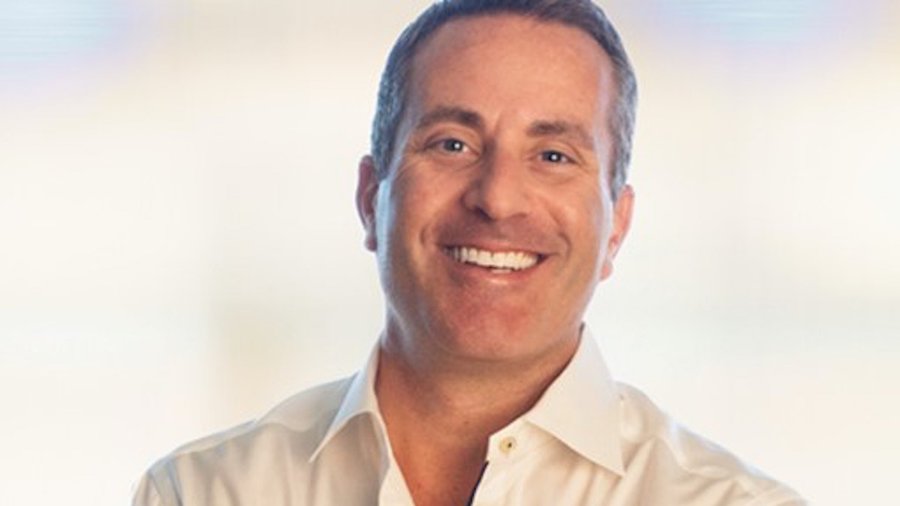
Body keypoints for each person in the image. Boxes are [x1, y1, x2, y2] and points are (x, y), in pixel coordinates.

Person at [133, 1, 806, 504]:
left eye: (553, 155)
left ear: (617, 228)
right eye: (452, 144)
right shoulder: (205, 492)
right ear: (371, 198)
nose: (498, 198)